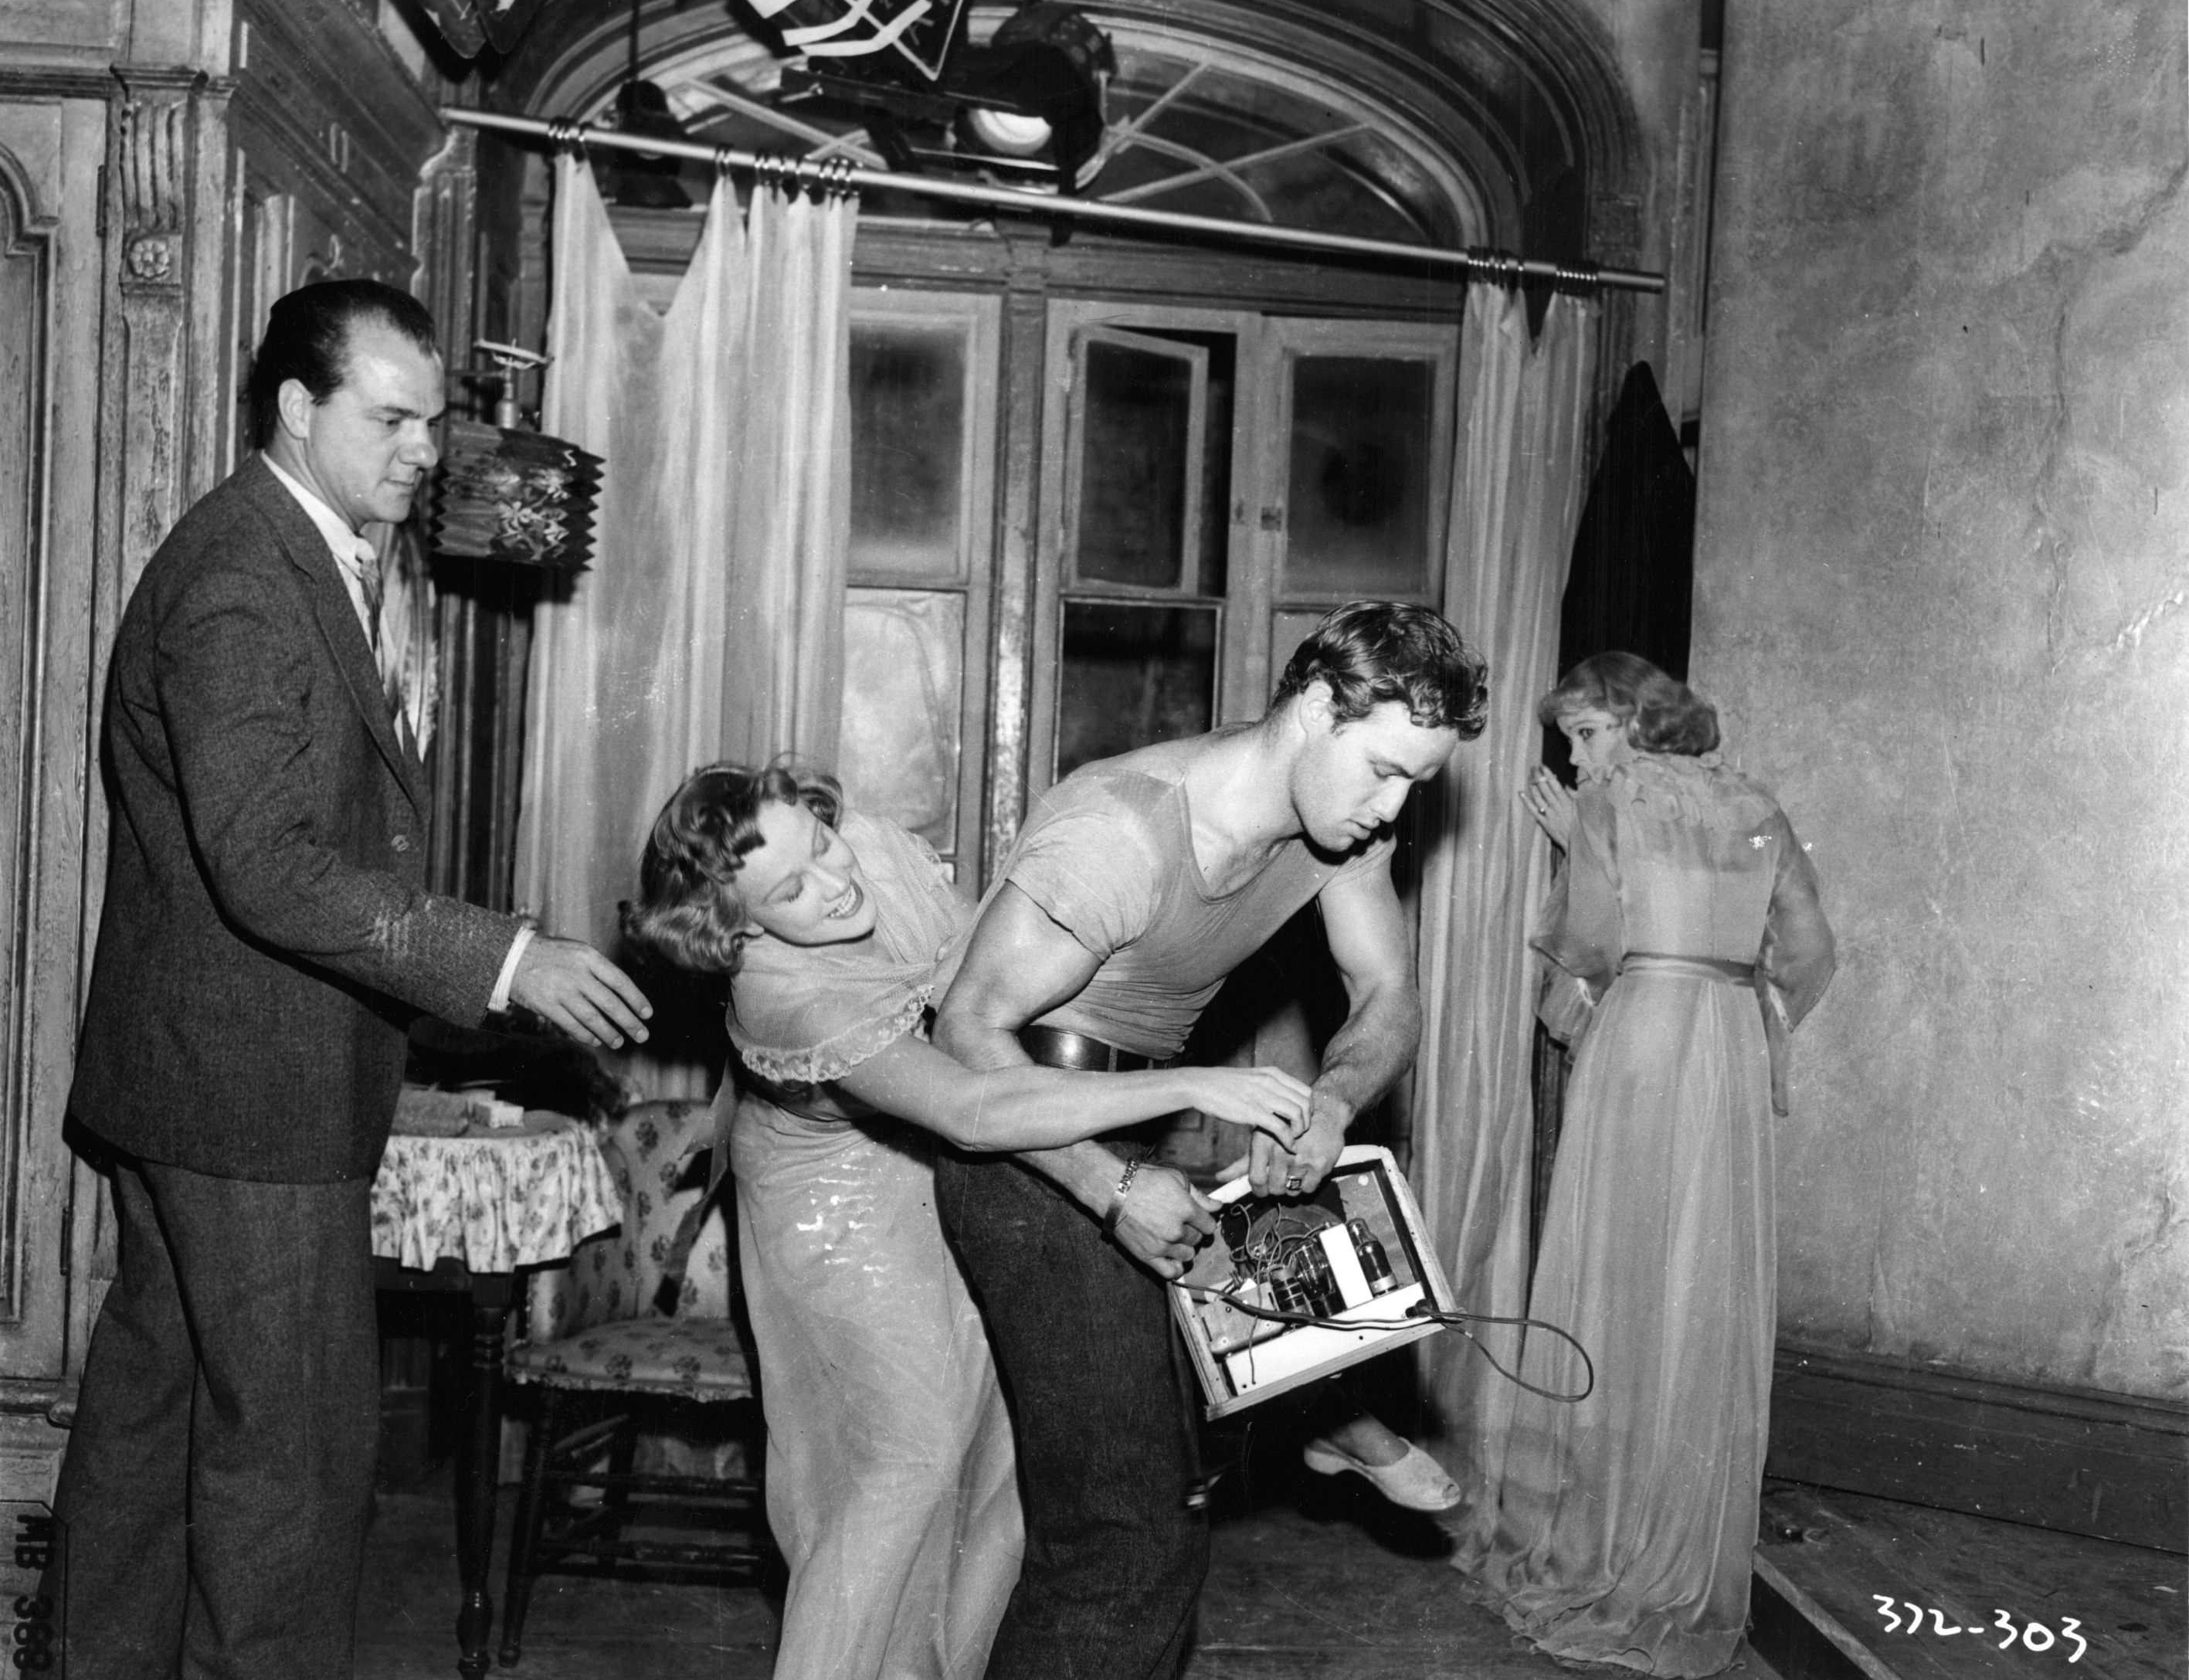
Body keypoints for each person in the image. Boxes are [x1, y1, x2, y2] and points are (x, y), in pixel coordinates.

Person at [53, 279, 654, 1680]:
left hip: (195, 1077)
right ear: (297, 409)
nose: (424, 451)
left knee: (163, 1418)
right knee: (295, 1463)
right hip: (244, 1092)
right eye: (391, 419)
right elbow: (263, 865)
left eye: (433, 421)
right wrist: (500, 956)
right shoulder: (243, 579)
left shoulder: (298, 550)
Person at [621, 762, 1316, 1680]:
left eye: (823, 844)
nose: (837, 881)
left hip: (930, 1150)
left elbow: (981, 993)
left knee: (997, 1436)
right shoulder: (792, 997)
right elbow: (974, 1108)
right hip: (831, 1195)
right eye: (791, 890)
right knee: (903, 1459)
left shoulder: (859, 848)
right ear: (736, 926)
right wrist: (1194, 1084)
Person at [932, 600, 1489, 1680]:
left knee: (1151, 1508)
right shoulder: (1123, 827)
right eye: (1382, 769)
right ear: (1317, 705)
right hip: (1026, 1151)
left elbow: (1385, 993)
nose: (1393, 807)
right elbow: (966, 1030)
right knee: (1123, 1536)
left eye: (1417, 782)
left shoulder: (1342, 827)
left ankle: (1325, 1419)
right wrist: (1105, 1185)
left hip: (1147, 1123)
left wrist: (1332, 1099)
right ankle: (1327, 1425)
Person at [1454, 651, 1835, 1676]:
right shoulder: (1753, 802)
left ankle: (1599, 1538)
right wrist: (1753, 1016)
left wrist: (1574, 849)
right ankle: (1680, 1538)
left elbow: (1584, 944)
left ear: (1626, 723)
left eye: (1582, 733)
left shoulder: (1610, 803)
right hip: (1722, 1046)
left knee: (1613, 1276)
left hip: (1644, 1034)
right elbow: (1806, 950)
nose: (1574, 757)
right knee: (1695, 1286)